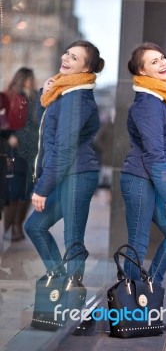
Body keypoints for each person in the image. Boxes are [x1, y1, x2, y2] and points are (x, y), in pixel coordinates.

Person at [24, 40, 104, 280]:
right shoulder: (64, 93)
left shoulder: (76, 98)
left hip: (77, 174)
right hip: (68, 172)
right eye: (67, 53)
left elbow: (64, 148)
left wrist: (43, 188)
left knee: (72, 237)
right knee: (35, 227)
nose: (66, 58)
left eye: (74, 58)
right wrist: (45, 95)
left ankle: (72, 292)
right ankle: (60, 282)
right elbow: (46, 129)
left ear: (86, 70)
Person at [120, 42, 166, 286]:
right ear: (142, 72)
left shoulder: (165, 98)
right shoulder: (148, 104)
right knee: (138, 242)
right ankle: (130, 300)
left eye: (162, 57)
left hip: (156, 179)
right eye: (154, 62)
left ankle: (150, 284)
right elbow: (154, 154)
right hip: (140, 179)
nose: (162, 63)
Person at [3, 68, 39, 242]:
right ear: (22, 79)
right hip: (14, 152)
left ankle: (18, 226)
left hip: (32, 152)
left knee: (26, 193)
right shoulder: (10, 97)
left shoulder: (34, 99)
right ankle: (9, 228)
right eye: (28, 78)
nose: (31, 81)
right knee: (14, 192)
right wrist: (9, 136)